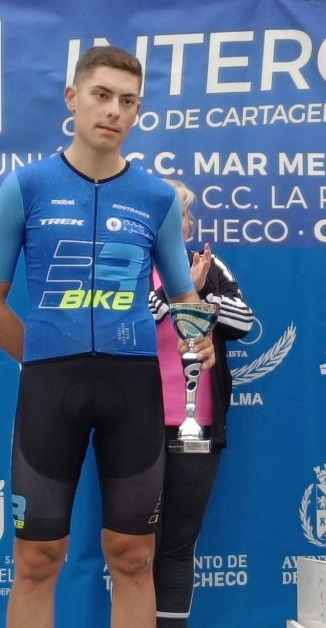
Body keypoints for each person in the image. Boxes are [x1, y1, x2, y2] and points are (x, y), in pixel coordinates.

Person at [0, 46, 214, 628]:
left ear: (138, 110)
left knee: (134, 557)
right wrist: (40, 355)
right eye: (101, 95)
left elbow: (184, 299)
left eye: (128, 101)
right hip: (51, 390)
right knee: (36, 560)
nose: (114, 110)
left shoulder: (157, 198)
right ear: (72, 98)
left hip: (134, 392)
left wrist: (198, 336)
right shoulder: (25, 187)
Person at [149, 180, 254, 627]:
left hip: (198, 424)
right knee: (134, 545)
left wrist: (200, 295)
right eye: (179, 214)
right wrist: (175, 293)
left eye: (187, 215)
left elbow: (244, 322)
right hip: (134, 423)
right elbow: (124, 323)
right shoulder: (130, 262)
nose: (186, 222)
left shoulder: (209, 266)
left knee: (178, 543)